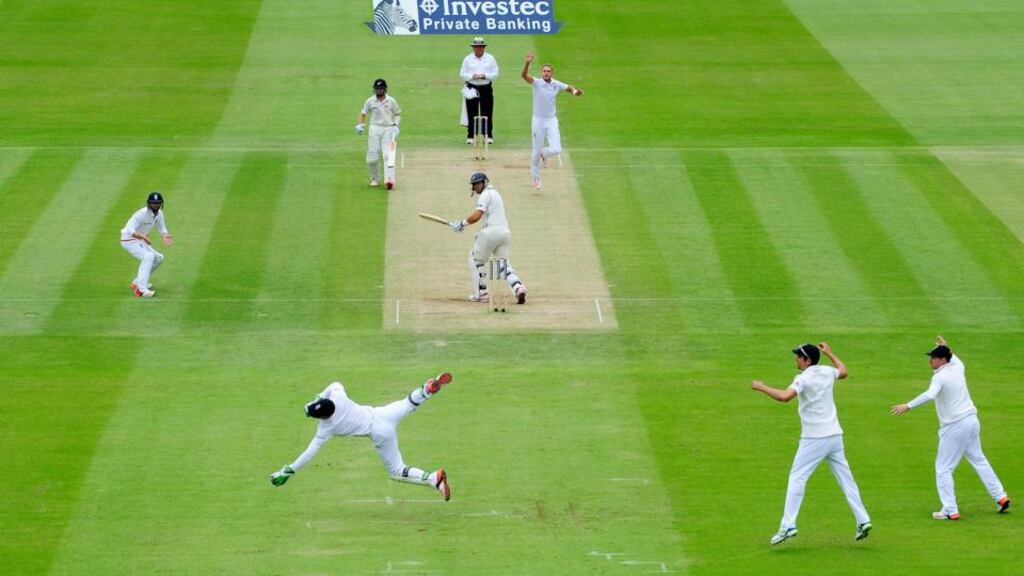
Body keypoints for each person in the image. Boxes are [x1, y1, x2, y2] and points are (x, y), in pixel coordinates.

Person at [752, 342, 872, 545]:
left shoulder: (803, 378)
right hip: (835, 436)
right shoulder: (826, 371)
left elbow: (784, 397)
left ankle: (788, 525)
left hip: (814, 439)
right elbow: (844, 371)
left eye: (799, 356)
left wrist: (762, 387)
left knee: (797, 478)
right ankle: (863, 519)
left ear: (807, 360)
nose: (796, 359)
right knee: (846, 479)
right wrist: (830, 354)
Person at [270, 372, 453, 501]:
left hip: (380, 432)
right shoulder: (338, 396)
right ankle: (427, 389)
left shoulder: (327, 428)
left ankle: (433, 478)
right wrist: (320, 396)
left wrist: (287, 471)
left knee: (396, 471)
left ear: (322, 417)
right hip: (384, 413)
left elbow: (308, 453)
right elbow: (335, 383)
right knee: (409, 402)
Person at [890, 336, 1010, 520]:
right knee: (979, 460)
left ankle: (950, 509)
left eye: (934, 357)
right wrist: (945, 347)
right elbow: (953, 356)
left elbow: (930, 395)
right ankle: (1000, 496)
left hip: (954, 426)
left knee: (943, 468)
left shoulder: (940, 377)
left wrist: (908, 405)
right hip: (971, 420)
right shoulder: (958, 367)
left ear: (942, 360)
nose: (930, 360)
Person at [448, 172, 527, 304]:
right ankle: (518, 287)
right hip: (505, 233)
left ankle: (482, 293)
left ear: (484, 182)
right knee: (502, 265)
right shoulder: (496, 194)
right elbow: (491, 218)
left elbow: (478, 214)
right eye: (474, 185)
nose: (476, 187)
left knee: (474, 258)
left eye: (478, 183)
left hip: (492, 233)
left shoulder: (485, 194)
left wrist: (462, 223)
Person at [520, 52, 583, 189]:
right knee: (535, 152)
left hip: (551, 120)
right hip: (537, 120)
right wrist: (527, 63)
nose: (546, 73)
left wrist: (574, 92)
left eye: (549, 71)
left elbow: (568, 87)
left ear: (552, 73)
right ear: (541, 73)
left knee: (556, 149)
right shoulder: (537, 83)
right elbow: (524, 76)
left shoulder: (556, 84)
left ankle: (544, 153)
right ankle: (535, 178)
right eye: (544, 71)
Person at [120, 191, 173, 298]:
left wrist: (164, 235)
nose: (156, 205)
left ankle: (137, 282)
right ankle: (141, 289)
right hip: (128, 240)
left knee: (158, 258)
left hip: (139, 240)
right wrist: (144, 237)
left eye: (158, 203)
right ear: (149, 203)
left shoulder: (159, 214)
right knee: (148, 256)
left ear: (161, 204)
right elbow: (129, 229)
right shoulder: (141, 213)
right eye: (153, 203)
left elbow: (161, 227)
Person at [356, 78, 401, 189]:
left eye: (381, 89)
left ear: (385, 89)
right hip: (374, 128)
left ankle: (389, 180)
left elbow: (398, 114)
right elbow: (363, 113)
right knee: (372, 156)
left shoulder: (391, 100)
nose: (379, 91)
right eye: (377, 89)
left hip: (388, 129)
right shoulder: (370, 101)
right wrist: (361, 125)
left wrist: (396, 125)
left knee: (388, 155)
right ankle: (374, 178)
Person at [460, 37, 498, 144]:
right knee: (472, 112)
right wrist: (473, 76)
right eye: (476, 47)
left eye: (480, 47)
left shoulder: (490, 58)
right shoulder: (467, 59)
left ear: (483, 47)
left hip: (486, 87)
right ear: (473, 48)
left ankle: (488, 136)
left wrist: (484, 75)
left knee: (487, 112)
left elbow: (495, 74)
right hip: (472, 87)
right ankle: (471, 136)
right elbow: (462, 74)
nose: (478, 49)